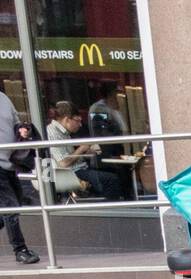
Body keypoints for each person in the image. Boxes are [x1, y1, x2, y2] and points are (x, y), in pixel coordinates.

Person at [46, 102, 124, 201]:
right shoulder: (53, 133)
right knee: (111, 180)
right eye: (77, 121)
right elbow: (63, 163)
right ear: (67, 119)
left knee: (111, 172)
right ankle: (110, 211)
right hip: (69, 174)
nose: (80, 125)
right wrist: (82, 148)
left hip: (76, 170)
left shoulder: (63, 132)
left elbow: (69, 158)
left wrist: (85, 153)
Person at [0, 91, 39, 264]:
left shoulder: (3, 98)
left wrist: (22, 130)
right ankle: (20, 250)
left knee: (16, 203)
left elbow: (16, 123)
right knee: (11, 208)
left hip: (9, 162)